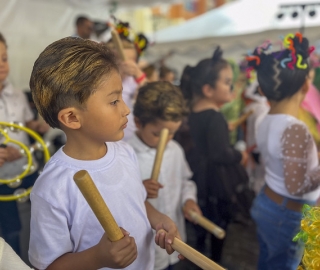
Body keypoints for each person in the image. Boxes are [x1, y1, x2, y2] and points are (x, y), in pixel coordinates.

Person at [28, 37, 181, 270]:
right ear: (72, 118)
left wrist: (157, 218)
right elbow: (48, 266)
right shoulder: (52, 187)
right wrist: (97, 258)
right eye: (114, 101)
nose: (126, 109)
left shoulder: (124, 152)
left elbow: (137, 202)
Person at [247, 33, 320, 270]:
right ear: (306, 85)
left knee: (268, 262)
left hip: (270, 202)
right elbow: (297, 186)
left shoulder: (268, 118)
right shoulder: (294, 128)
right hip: (288, 214)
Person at [179, 46, 254, 263]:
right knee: (218, 228)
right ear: (208, 90)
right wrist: (239, 155)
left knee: (199, 228)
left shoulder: (193, 114)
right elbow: (219, 153)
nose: (231, 87)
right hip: (215, 184)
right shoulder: (214, 117)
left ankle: (198, 259)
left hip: (197, 181)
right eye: (226, 82)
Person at [128, 81, 202, 270]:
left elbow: (186, 181)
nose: (166, 140)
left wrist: (189, 200)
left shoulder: (175, 150)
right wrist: (138, 190)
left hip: (175, 242)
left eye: (172, 133)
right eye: (157, 134)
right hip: (146, 253)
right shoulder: (125, 155)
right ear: (138, 123)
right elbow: (117, 201)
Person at [0, 32, 49, 256]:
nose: (2, 65)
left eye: (4, 58)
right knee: (9, 231)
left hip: (26, 168)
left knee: (39, 216)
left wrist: (35, 125)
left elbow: (24, 123)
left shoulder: (18, 94)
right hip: (3, 180)